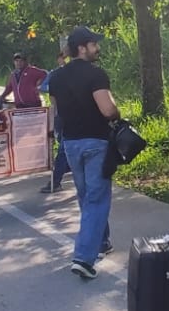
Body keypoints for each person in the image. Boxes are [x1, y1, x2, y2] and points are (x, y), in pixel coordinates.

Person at [48, 27, 122, 278]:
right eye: (93, 44)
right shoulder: (95, 74)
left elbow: (55, 110)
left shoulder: (56, 77)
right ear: (82, 47)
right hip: (95, 142)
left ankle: (102, 242)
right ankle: (84, 258)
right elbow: (107, 111)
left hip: (70, 143)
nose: (97, 48)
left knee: (86, 196)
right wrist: (117, 111)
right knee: (97, 198)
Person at [37, 49, 72, 195]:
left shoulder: (72, 74)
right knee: (63, 146)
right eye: (61, 57)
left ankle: (56, 181)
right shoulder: (55, 74)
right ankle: (60, 176)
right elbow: (47, 91)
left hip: (72, 117)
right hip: (64, 116)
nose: (63, 60)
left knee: (64, 150)